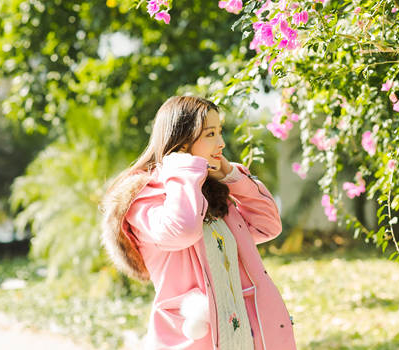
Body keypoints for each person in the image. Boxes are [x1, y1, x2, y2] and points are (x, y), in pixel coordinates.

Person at [100, 96, 296, 350]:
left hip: (246, 335)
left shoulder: (213, 192)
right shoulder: (144, 198)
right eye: (210, 134)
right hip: (191, 338)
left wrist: (231, 176)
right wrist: (182, 170)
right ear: (181, 143)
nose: (221, 143)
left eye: (220, 132)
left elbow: (268, 224)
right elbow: (182, 231)